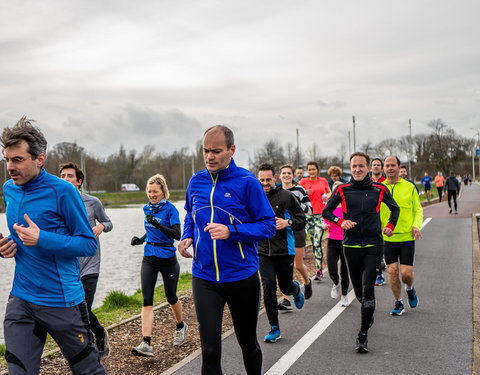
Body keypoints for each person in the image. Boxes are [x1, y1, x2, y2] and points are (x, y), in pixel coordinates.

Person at [0, 117, 106, 374]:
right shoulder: (9, 190)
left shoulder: (63, 191)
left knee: (89, 370)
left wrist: (42, 238)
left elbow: (88, 244)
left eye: (17, 160)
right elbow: (21, 235)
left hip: (62, 301)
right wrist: (6, 247)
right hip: (22, 299)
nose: (10, 168)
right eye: (7, 160)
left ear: (39, 159)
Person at [178, 125, 276, 375]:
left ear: (232, 150)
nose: (209, 156)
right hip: (205, 277)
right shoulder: (196, 181)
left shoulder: (247, 183)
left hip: (241, 277)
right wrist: (187, 235)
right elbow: (191, 213)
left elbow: (267, 226)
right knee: (209, 351)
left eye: (216, 151)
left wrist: (231, 232)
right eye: (205, 150)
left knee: (247, 344)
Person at [323, 151, 399, 353]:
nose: (357, 169)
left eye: (361, 166)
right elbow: (326, 211)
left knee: (368, 288)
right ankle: (368, 311)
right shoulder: (343, 190)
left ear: (368, 168)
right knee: (358, 292)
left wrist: (391, 225)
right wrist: (341, 221)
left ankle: (363, 334)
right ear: (351, 167)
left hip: (374, 245)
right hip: (351, 245)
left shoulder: (380, 189)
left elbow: (395, 209)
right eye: (354, 166)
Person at [59, 162, 113, 359]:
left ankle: (90, 349)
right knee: (74, 309)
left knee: (84, 307)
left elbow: (108, 222)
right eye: (62, 176)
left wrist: (101, 228)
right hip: (69, 265)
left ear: (79, 181)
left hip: (90, 263)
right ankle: (98, 334)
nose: (65, 180)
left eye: (69, 176)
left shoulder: (93, 202)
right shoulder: (59, 203)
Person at [130, 174, 187, 356]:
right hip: (149, 258)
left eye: (155, 191)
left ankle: (180, 326)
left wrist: (158, 224)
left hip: (167, 258)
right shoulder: (147, 208)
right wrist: (141, 239)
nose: (152, 195)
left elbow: (176, 234)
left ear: (163, 191)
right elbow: (151, 230)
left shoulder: (170, 210)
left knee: (171, 297)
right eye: (149, 191)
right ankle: (146, 342)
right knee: (147, 300)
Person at [257, 164, 306, 343]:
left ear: (275, 178)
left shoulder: (286, 196)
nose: (265, 184)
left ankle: (294, 288)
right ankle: (274, 327)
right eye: (261, 180)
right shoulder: (255, 198)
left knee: (284, 287)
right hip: (262, 251)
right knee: (268, 285)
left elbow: (302, 219)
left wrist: (288, 222)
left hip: (285, 250)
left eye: (268, 180)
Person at [381, 156, 423, 316]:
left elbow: (418, 210)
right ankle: (398, 302)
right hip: (387, 239)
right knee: (391, 271)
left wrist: (416, 226)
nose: (390, 168)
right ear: (384, 169)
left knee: (405, 274)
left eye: (393, 165)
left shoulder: (409, 187)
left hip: (406, 237)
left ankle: (410, 289)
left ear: (399, 168)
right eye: (387, 165)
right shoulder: (379, 188)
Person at [277, 164, 313, 311]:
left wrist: (295, 203)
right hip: (281, 232)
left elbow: (310, 209)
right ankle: (285, 299)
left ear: (293, 176)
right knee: (286, 265)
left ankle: (307, 281)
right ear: (279, 176)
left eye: (288, 173)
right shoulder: (276, 191)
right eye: (283, 173)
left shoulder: (299, 190)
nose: (286, 175)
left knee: (298, 265)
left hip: (296, 229)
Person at [299, 161, 331, 280]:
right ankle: (313, 266)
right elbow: (296, 196)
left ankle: (319, 270)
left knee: (317, 243)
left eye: (314, 169)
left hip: (319, 216)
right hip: (307, 216)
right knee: (311, 241)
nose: (312, 172)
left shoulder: (323, 181)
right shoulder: (303, 182)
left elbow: (329, 192)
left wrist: (327, 196)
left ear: (317, 170)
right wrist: (305, 193)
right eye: (310, 170)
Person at [323, 181, 349, 306]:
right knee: (332, 269)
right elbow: (326, 219)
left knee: (344, 271)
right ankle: (336, 283)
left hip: (346, 241)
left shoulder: (348, 205)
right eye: (334, 190)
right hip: (332, 240)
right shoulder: (329, 205)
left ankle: (344, 296)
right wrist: (325, 226)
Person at [371, 158, 386, 286]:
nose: (376, 167)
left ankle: (380, 268)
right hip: (371, 220)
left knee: (381, 249)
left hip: (385, 219)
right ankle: (378, 275)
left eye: (378, 165)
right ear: (370, 168)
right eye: (374, 165)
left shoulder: (385, 183)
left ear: (382, 168)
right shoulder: (367, 183)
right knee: (374, 249)